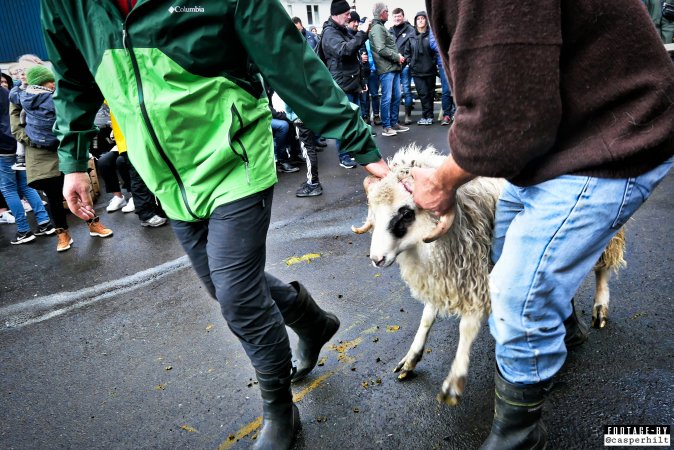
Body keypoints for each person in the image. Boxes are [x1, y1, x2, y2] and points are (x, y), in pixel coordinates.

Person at [41, 1, 388, 449]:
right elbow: (72, 77)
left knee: (239, 297)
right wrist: (72, 160)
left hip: (235, 159)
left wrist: (362, 144)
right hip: (168, 178)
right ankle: (313, 322)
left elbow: (291, 61)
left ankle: (280, 410)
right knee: (224, 286)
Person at [411, 1, 674, 448]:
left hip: (610, 137)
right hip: (560, 139)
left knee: (518, 297)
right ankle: (564, 331)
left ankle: (517, 437)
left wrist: (443, 181)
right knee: (506, 252)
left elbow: (508, 117)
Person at [10, 65, 113, 251]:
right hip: (39, 153)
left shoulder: (52, 92)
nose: (23, 74)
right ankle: (62, 233)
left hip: (63, 146)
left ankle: (93, 223)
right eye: (21, 72)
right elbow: (16, 126)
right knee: (53, 196)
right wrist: (34, 140)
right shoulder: (18, 96)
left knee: (80, 189)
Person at [1, 75, 53, 244]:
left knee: (8, 188)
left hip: (3, 147)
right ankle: (44, 223)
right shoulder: (6, 92)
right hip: (17, 145)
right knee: (25, 185)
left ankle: (24, 230)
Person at [320, 1, 371, 169]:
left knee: (354, 119)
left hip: (352, 82)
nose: (349, 17)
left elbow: (355, 56)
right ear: (336, 14)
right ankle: (343, 156)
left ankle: (352, 151)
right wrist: (362, 33)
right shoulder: (329, 33)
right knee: (344, 121)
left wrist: (361, 81)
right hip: (342, 84)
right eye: (347, 14)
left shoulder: (341, 30)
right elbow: (345, 50)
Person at [370, 3, 409, 137]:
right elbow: (381, 49)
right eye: (387, 11)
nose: (388, 14)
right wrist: (397, 56)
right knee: (387, 98)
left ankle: (393, 123)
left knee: (396, 96)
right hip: (386, 68)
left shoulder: (380, 27)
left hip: (392, 67)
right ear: (382, 13)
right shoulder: (377, 28)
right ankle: (386, 126)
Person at [408, 11, 437, 126]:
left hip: (430, 70)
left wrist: (433, 62)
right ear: (415, 21)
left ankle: (428, 116)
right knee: (423, 94)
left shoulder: (431, 35)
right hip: (416, 71)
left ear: (426, 20)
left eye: (422, 18)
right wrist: (410, 62)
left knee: (430, 93)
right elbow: (407, 52)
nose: (420, 20)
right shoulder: (411, 36)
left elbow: (435, 51)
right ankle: (427, 115)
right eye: (418, 19)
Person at [390, 8, 416, 125]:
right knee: (395, 92)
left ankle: (407, 115)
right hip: (393, 66)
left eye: (399, 16)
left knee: (406, 90)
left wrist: (408, 60)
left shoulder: (410, 30)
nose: (397, 18)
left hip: (405, 65)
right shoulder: (389, 31)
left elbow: (413, 47)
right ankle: (395, 117)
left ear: (403, 16)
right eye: (395, 16)